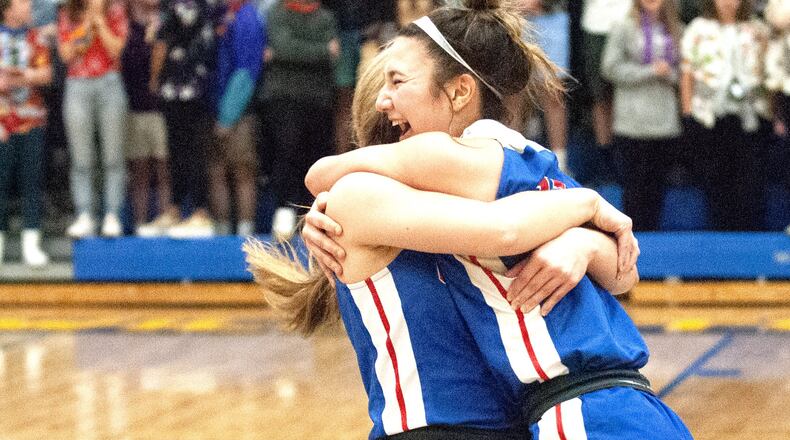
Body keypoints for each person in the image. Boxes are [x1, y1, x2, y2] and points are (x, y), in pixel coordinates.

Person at [302, 1, 692, 438]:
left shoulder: (449, 162)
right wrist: (585, 208)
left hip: (577, 413)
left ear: (459, 91)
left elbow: (509, 231)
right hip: (596, 408)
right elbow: (620, 271)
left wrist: (582, 237)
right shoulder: (534, 164)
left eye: (398, 82)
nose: (385, 101)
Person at [680, 0, 771, 230]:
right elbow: (687, 73)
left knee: (749, 181)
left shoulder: (756, 29)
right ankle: (719, 235)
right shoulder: (698, 28)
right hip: (709, 117)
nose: (728, 3)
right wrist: (687, 112)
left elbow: (769, 71)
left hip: (749, 117)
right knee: (716, 180)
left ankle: (749, 238)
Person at [257, 0, 339, 239]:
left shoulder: (326, 17)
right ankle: (284, 213)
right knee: (285, 156)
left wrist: (287, 52)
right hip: (283, 100)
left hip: (318, 101)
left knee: (316, 159)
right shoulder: (276, 13)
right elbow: (283, 47)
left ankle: (313, 218)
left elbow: (286, 51)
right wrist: (320, 50)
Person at [601, 0, 682, 231]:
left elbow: (686, 74)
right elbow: (609, 68)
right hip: (631, 122)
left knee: (657, 191)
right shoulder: (623, 26)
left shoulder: (677, 28)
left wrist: (668, 74)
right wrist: (649, 71)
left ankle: (654, 250)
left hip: (665, 122)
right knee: (634, 190)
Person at [58, 0, 129, 238]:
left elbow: (116, 50)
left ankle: (112, 214)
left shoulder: (116, 10)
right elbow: (66, 53)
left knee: (113, 155)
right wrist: (87, 27)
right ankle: (84, 213)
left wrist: (101, 25)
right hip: (78, 83)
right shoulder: (69, 12)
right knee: (81, 157)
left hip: (109, 82)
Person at [151, 0, 221, 238]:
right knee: (182, 151)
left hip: (191, 87)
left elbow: (161, 44)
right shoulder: (204, 6)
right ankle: (177, 210)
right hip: (186, 87)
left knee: (192, 151)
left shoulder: (188, 7)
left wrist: (154, 79)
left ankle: (198, 212)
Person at [0, 0, 52, 266]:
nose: (29, 4)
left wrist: (23, 77)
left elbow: (46, 74)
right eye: (22, 1)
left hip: (32, 120)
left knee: (32, 182)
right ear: (7, 7)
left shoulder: (35, 36)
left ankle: (31, 242)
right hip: (2, 123)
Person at [209, 0, 265, 236]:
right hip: (214, 107)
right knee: (216, 170)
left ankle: (245, 235)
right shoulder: (223, 16)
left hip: (239, 113)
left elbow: (246, 73)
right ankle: (221, 233)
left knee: (243, 172)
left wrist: (227, 116)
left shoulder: (248, 18)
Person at [121, 0, 176, 237]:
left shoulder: (168, 18)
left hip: (163, 107)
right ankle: (141, 224)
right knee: (139, 167)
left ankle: (165, 218)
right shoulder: (127, 23)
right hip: (134, 106)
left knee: (164, 165)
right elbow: (128, 61)